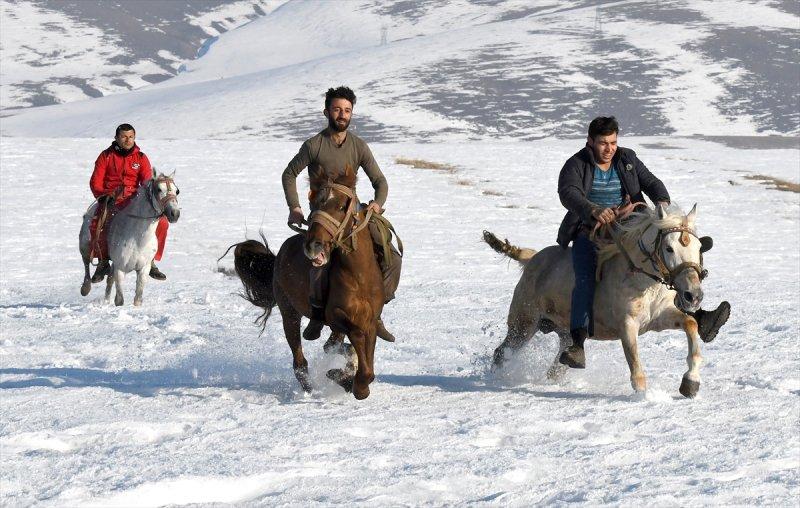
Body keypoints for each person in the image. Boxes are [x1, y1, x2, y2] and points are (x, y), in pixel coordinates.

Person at [556, 116, 730, 368]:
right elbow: (568, 192)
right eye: (603, 143)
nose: (609, 148)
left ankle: (698, 315)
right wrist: (592, 209)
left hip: (630, 225)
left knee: (664, 259)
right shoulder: (576, 164)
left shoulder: (627, 159)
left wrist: (661, 199)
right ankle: (578, 343)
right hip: (591, 230)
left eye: (613, 142)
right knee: (584, 278)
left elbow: (650, 181)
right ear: (590, 142)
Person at [282, 86, 401, 342]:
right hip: (323, 213)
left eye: (347, 110)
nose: (342, 114)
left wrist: (376, 205)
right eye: (337, 109)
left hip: (353, 214)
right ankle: (316, 314)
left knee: (390, 250)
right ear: (327, 112)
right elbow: (289, 174)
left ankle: (376, 311)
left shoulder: (358, 146)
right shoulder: (314, 145)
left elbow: (380, 181)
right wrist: (295, 207)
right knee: (318, 258)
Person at [89, 124, 169, 282]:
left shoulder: (141, 158)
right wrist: (103, 196)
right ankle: (103, 261)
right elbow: (95, 181)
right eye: (124, 137)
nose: (128, 140)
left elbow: (147, 182)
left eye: (131, 137)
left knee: (163, 223)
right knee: (96, 223)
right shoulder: (106, 156)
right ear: (116, 138)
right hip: (111, 199)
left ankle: (151, 261)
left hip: (134, 200)